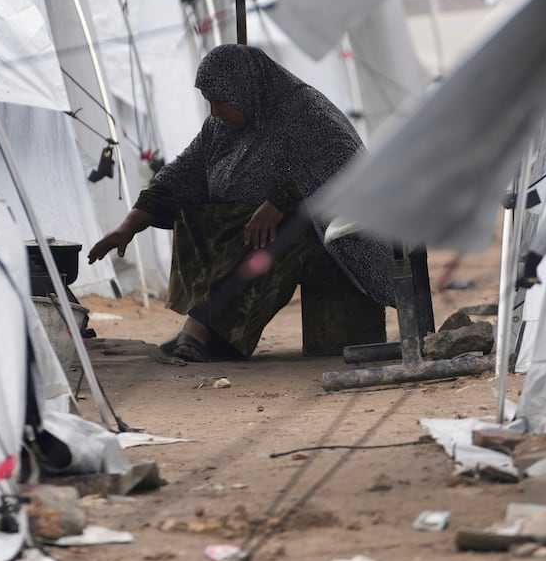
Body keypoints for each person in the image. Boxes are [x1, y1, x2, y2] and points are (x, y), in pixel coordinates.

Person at [88, 44, 395, 362]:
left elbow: (345, 169)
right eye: (209, 103)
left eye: (220, 102)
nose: (214, 112)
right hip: (258, 228)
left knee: (279, 229)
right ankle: (216, 332)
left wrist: (281, 201)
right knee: (196, 215)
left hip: (338, 235)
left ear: (245, 90)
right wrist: (128, 227)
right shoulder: (219, 128)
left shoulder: (306, 112)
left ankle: (201, 327)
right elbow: (178, 177)